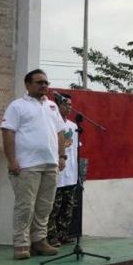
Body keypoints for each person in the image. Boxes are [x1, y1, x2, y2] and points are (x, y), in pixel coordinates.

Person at [0, 69, 67, 260]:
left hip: (50, 164)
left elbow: (60, 132)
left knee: (45, 206)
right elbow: (7, 133)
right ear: (27, 85)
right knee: (25, 206)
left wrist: (62, 156)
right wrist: (12, 160)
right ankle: (21, 244)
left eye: (46, 82)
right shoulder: (17, 106)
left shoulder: (53, 106)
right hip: (27, 165)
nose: (44, 85)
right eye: (39, 82)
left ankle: (39, 241)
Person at [46, 93, 78, 247]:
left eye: (71, 105)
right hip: (57, 174)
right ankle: (51, 237)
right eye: (66, 104)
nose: (69, 107)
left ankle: (63, 234)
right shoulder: (52, 124)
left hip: (71, 175)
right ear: (58, 105)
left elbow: (76, 149)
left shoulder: (73, 126)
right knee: (54, 208)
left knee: (68, 208)